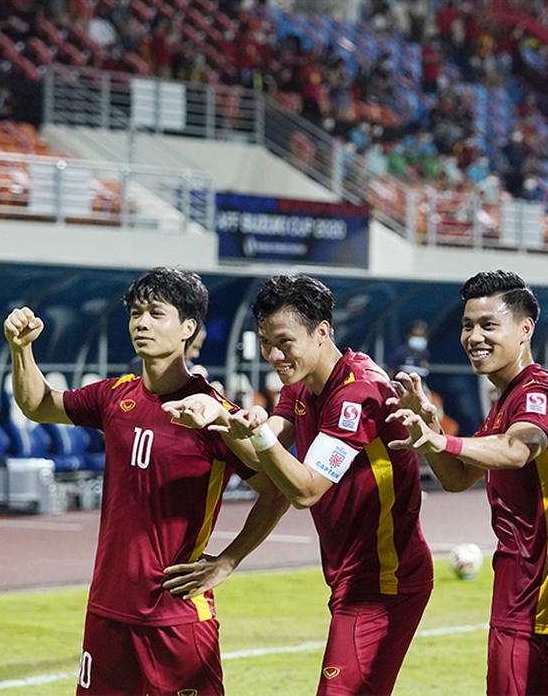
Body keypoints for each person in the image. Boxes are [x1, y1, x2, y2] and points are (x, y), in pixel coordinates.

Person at [3, 266, 289, 696]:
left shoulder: (214, 413)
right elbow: (39, 405)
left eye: (157, 313)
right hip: (107, 612)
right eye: (136, 312)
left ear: (187, 328)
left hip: (176, 619)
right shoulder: (115, 396)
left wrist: (228, 560)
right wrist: (21, 350)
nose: (141, 322)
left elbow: (278, 491)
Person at [163, 274, 434, 696]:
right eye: (265, 342)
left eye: (284, 341)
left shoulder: (357, 392)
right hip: (352, 575)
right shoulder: (302, 384)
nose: (273, 354)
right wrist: (219, 418)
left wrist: (245, 429)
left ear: (322, 331)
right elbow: (265, 461)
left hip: (386, 581)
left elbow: (304, 490)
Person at [387, 270, 548, 696]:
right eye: (467, 325)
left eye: (487, 325)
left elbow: (519, 450)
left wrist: (444, 438)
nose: (473, 337)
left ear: (524, 329)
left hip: (543, 597)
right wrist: (428, 431)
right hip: (518, 592)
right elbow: (458, 478)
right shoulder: (506, 403)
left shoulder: (537, 393)